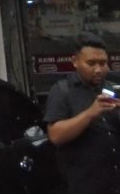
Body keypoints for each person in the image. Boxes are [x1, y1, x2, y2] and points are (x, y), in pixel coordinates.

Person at [44, 32, 120, 194]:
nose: (98, 69)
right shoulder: (62, 91)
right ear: (75, 61)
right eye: (91, 63)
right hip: (85, 185)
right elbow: (56, 136)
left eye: (103, 63)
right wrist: (90, 113)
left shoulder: (112, 89)